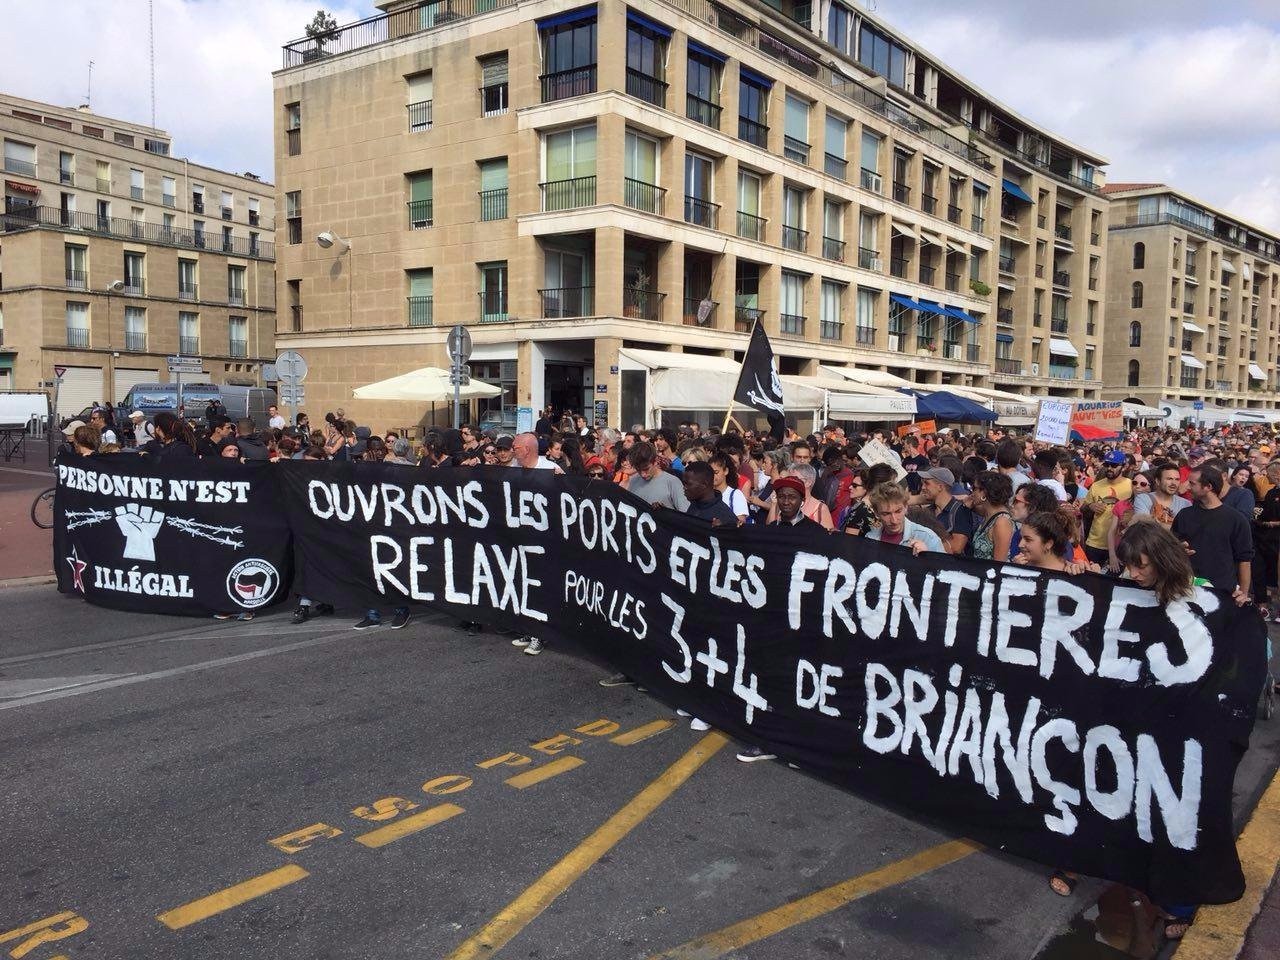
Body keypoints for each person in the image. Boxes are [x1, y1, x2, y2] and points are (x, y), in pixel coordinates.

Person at [1172, 464, 1253, 603]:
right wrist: (1178, 549)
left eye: (1192, 483)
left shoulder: (1236, 519)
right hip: (1185, 588)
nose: (1187, 487)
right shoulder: (1184, 514)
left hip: (1222, 591)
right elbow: (1171, 546)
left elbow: (1244, 559)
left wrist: (1244, 593)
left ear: (1208, 487)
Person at [1080, 450, 1133, 567]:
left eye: (1114, 465)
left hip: (1120, 544)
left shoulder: (1131, 486)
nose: (1109, 468)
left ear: (1123, 467)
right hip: (1095, 543)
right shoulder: (1096, 485)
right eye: (1106, 465)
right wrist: (1090, 506)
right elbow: (1083, 508)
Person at [864, 482, 945, 554]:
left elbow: (945, 570)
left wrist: (928, 558)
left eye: (898, 511)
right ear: (876, 512)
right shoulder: (870, 537)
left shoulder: (927, 537)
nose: (894, 520)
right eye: (886, 514)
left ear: (906, 507)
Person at [916, 467, 974, 554]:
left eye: (926, 483)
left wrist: (926, 545)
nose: (923, 487)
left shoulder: (960, 511)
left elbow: (956, 548)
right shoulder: (927, 511)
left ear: (940, 487)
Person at [968, 471, 1015, 561]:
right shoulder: (989, 513)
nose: (972, 493)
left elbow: (999, 563)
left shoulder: (1001, 522)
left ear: (984, 492)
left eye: (974, 488)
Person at [627, 442, 689, 510]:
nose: (643, 474)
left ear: (655, 461)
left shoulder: (672, 482)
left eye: (646, 469)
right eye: (638, 470)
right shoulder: (633, 481)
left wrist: (665, 511)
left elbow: (685, 514)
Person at [1133, 462, 1190, 528]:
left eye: (1177, 479)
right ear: (1158, 481)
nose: (1173, 483)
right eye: (1169, 479)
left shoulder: (1186, 504)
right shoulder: (1143, 499)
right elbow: (1144, 527)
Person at [683, 461, 739, 526]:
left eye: (688, 484)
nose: (684, 487)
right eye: (684, 483)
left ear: (704, 484)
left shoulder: (725, 518)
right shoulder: (694, 506)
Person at [709, 452, 749, 525]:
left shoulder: (736, 494)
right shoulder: (708, 494)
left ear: (726, 471)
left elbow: (741, 521)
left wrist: (722, 522)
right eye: (710, 472)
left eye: (716, 472)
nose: (712, 476)